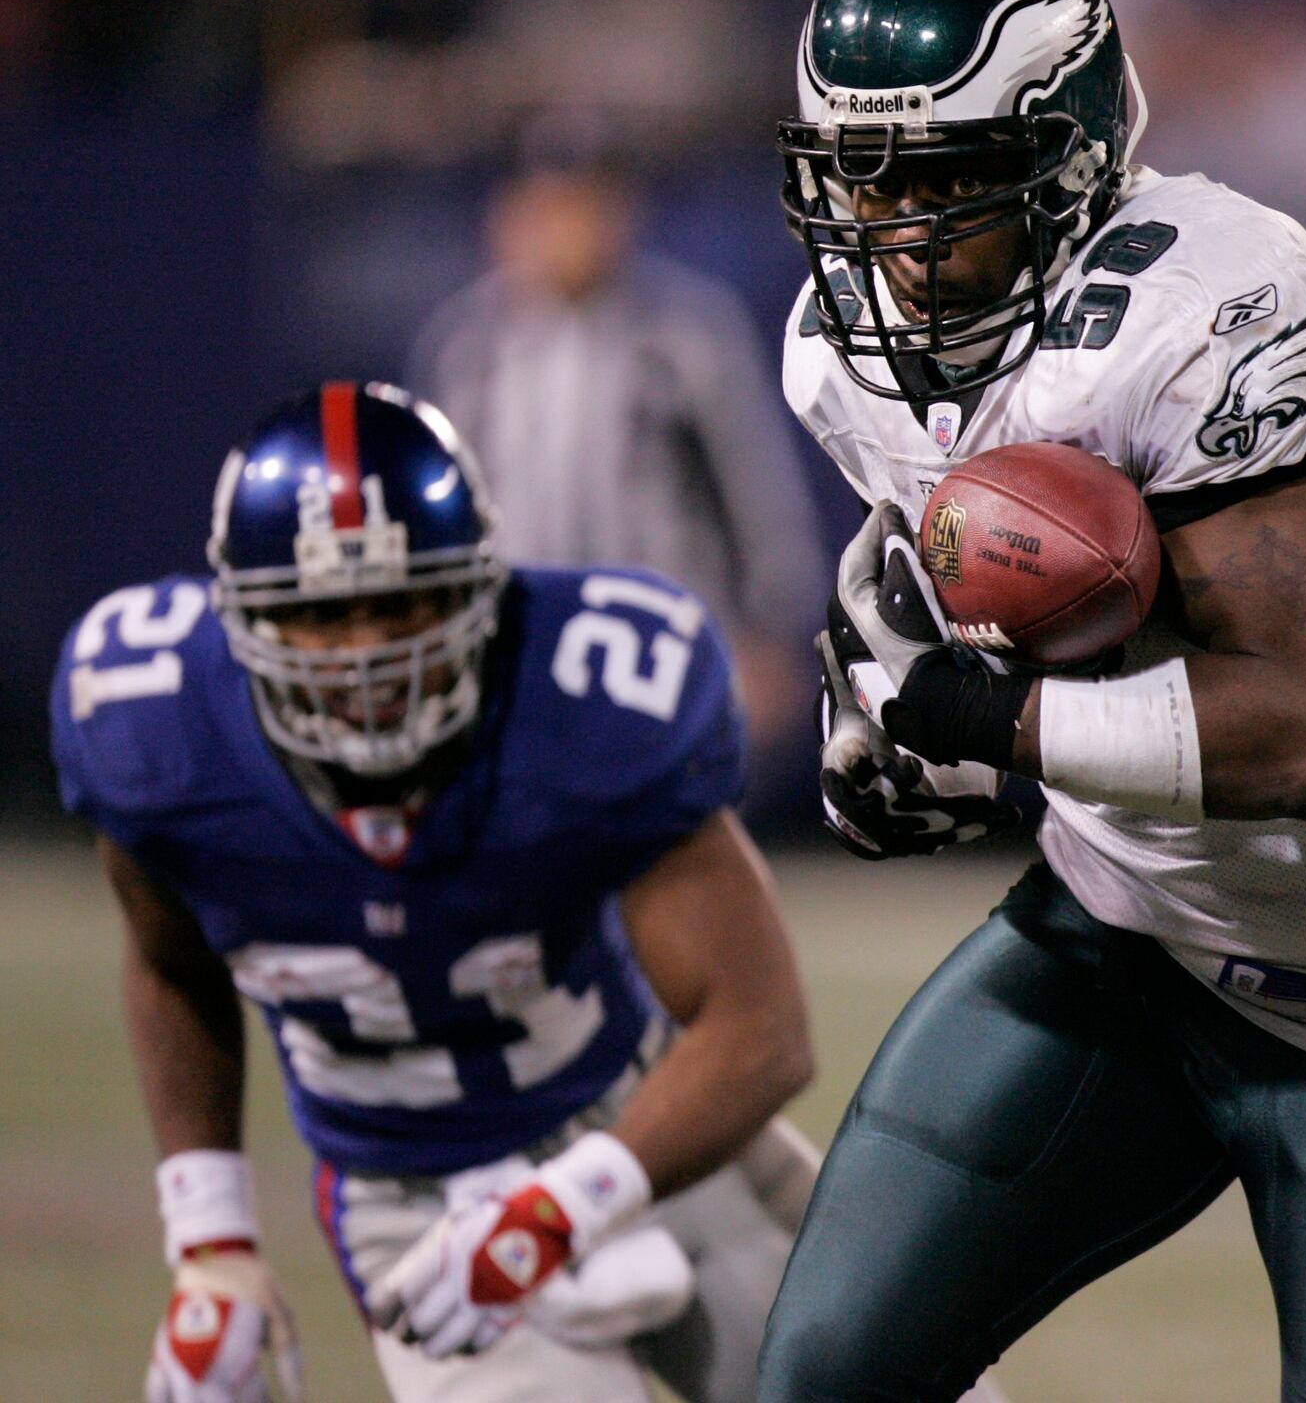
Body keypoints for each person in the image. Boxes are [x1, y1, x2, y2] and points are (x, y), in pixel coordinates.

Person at [758, 0, 1306, 1403]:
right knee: (815, 1380)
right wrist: (874, 715)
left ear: (1066, 159)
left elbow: (1301, 740)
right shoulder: (838, 344)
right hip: (1113, 931)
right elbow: (925, 567)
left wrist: (979, 718)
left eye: (947, 185)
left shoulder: (1211, 310)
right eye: (865, 187)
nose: (902, 239)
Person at [50, 381, 821, 1403]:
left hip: (643, 1129)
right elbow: (169, 961)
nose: (367, 652)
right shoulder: (158, 737)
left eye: (398, 603)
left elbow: (761, 1032)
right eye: (320, 616)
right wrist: (210, 1244)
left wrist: (560, 1210)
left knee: (897, 1374)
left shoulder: (581, 695)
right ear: (244, 620)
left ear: (478, 593)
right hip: (414, 1204)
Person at [408, 122, 828, 797]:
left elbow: (757, 492)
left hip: (665, 649)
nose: (570, 228)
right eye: (552, 207)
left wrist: (772, 630)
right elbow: (441, 515)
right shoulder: (467, 345)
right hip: (514, 650)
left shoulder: (688, 329)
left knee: (664, 856)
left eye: (587, 205)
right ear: (509, 217)